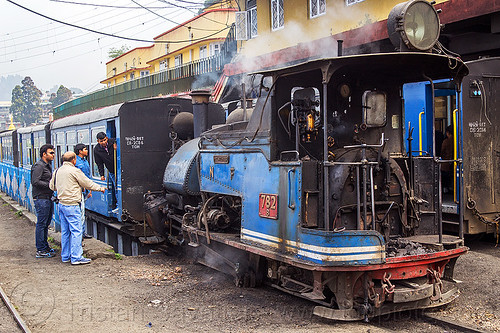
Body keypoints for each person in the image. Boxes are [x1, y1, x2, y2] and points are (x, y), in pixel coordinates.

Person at [50, 152, 105, 265]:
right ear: (74, 160)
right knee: (76, 231)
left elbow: (52, 186)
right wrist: (100, 188)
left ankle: (65, 256)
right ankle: (76, 257)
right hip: (72, 205)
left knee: (65, 232)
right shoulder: (74, 171)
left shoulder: (57, 171)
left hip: (61, 205)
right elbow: (87, 183)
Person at [31, 144, 56, 258]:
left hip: (47, 198)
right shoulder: (39, 166)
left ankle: (45, 246)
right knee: (41, 224)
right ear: (44, 154)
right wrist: (50, 185)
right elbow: (35, 181)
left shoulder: (47, 165)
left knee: (46, 223)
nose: (53, 155)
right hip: (41, 198)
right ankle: (40, 249)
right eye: (51, 153)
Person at [93, 132, 117, 210]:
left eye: (104, 140)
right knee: (116, 187)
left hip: (119, 168)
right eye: (101, 141)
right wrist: (102, 174)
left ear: (107, 138)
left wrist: (117, 149)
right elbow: (99, 163)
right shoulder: (97, 149)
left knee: (119, 187)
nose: (103, 142)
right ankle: (117, 205)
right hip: (111, 170)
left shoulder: (114, 142)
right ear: (98, 141)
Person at [74, 143, 92, 239]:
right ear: (80, 151)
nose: (87, 151)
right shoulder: (76, 161)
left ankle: (83, 232)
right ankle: (80, 233)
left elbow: (88, 176)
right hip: (79, 190)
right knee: (79, 212)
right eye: (85, 149)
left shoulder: (85, 161)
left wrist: (90, 190)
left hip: (85, 190)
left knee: (83, 211)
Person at [441, 125, 454, 193]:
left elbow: (442, 151)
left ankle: (445, 188)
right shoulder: (456, 140)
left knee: (444, 176)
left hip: (446, 162)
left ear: (448, 133)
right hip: (452, 162)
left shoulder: (446, 141)